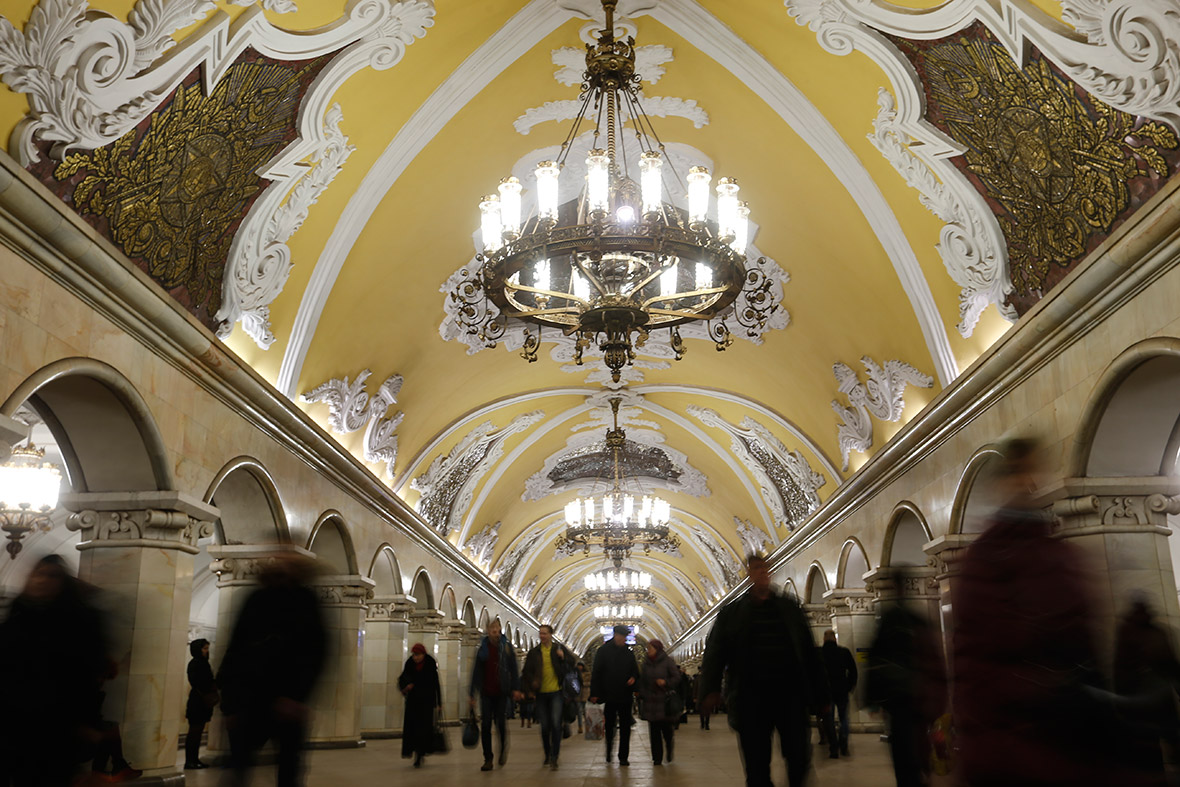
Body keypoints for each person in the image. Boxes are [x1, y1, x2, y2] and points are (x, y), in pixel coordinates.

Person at [953, 437, 1120, 786]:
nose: (1028, 482)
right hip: (1016, 744)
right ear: (1000, 484)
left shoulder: (1057, 552)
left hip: (1069, 737)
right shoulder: (986, 560)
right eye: (1018, 473)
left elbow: (1088, 643)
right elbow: (974, 662)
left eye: (1032, 472)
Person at [700, 554, 829, 787]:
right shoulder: (732, 613)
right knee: (756, 764)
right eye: (757, 568)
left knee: (799, 758)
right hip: (751, 698)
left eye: (765, 568)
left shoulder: (789, 607)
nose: (762, 572)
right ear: (748, 574)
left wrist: (821, 695)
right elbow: (714, 654)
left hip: (790, 695)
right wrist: (709, 690)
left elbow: (809, 652)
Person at [0, 555, 111, 787]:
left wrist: (88, 723)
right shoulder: (16, 618)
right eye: (38, 574)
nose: (42, 581)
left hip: (57, 729)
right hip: (13, 725)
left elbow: (86, 678)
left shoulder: (79, 623)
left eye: (51, 576)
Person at [218, 551, 327, 787]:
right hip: (250, 698)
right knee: (238, 766)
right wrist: (229, 703)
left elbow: (316, 653)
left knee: (289, 769)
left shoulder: (305, 601)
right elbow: (236, 649)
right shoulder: (256, 598)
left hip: (288, 701)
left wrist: (297, 696)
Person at [866, 598, 946, 787]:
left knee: (903, 753)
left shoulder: (890, 620)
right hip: (919, 699)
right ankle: (921, 776)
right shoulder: (917, 620)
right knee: (919, 748)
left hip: (899, 701)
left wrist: (873, 699)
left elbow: (875, 659)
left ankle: (912, 779)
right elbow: (935, 661)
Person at [1112, 598, 1180, 785]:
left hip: (1144, 699)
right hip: (1151, 698)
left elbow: (1119, 669)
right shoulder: (1150, 632)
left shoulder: (1127, 632)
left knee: (1152, 746)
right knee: (1161, 741)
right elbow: (1169, 663)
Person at [468, 619, 522, 771]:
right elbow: (476, 672)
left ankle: (503, 749)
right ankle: (488, 758)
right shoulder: (482, 649)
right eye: (492, 628)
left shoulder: (506, 648)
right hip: (486, 692)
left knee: (500, 724)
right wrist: (472, 693)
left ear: (500, 629)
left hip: (502, 692)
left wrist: (516, 688)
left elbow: (514, 669)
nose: (494, 631)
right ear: (487, 630)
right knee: (485, 725)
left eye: (497, 628)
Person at [521, 624, 571, 769]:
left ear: (550, 635)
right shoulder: (534, 652)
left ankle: (554, 756)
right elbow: (526, 673)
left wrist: (563, 658)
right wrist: (529, 689)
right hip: (541, 693)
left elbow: (572, 665)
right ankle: (547, 753)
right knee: (544, 726)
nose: (542, 636)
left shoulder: (558, 649)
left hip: (557, 692)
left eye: (545, 633)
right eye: (540, 633)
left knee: (556, 725)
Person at [590, 624, 640, 765]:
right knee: (610, 726)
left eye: (625, 638)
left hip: (625, 695)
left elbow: (635, 671)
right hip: (609, 695)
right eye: (622, 637)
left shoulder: (628, 653)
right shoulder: (603, 651)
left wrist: (633, 678)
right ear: (616, 635)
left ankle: (623, 756)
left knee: (625, 728)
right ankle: (609, 751)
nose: (624, 640)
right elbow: (596, 673)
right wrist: (595, 693)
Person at [639, 638, 681, 765]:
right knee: (654, 732)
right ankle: (657, 758)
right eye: (647, 649)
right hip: (651, 702)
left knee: (667, 731)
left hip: (664, 702)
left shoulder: (668, 662)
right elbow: (643, 681)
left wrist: (666, 682)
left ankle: (669, 749)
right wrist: (643, 694)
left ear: (657, 649)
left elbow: (677, 677)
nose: (648, 651)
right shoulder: (645, 664)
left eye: (650, 648)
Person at [399, 643, 442, 767]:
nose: (415, 658)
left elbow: (435, 684)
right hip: (413, 702)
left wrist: (439, 703)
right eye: (414, 655)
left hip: (426, 702)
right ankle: (415, 752)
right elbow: (402, 678)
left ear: (423, 654)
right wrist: (406, 686)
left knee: (423, 729)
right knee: (413, 728)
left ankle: (421, 753)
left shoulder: (430, 664)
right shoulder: (409, 664)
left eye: (418, 655)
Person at [819, 629, 857, 758]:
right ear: (835, 638)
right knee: (844, 718)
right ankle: (843, 742)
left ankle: (834, 748)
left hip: (825, 692)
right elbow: (853, 671)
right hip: (842, 690)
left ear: (824, 639)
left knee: (828, 721)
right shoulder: (844, 652)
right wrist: (850, 685)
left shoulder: (819, 653)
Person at [184, 638, 218, 770]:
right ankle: (191, 761)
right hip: (198, 701)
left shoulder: (200, 663)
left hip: (199, 700)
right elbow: (201, 682)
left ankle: (194, 759)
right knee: (195, 732)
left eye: (207, 649)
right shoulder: (198, 664)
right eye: (204, 648)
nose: (206, 651)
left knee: (197, 732)